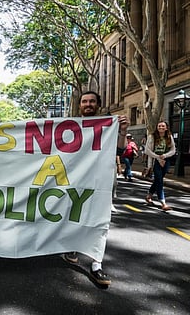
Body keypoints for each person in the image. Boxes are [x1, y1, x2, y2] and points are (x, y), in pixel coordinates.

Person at [62, 91, 128, 286]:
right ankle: (72, 247)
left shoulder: (107, 126)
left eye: (91, 101)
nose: (88, 104)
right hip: (75, 183)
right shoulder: (68, 127)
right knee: (73, 215)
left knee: (99, 221)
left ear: (98, 104)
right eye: (84, 101)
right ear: (80, 105)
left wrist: (122, 131)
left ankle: (96, 265)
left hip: (100, 184)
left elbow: (119, 150)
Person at [144, 121, 175, 211]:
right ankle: (163, 203)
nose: (161, 127)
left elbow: (173, 150)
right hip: (156, 161)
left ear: (166, 128)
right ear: (157, 127)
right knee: (160, 181)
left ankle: (149, 196)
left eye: (163, 126)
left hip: (166, 160)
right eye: (159, 126)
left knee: (158, 180)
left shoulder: (169, 137)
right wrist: (157, 157)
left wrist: (164, 156)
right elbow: (147, 151)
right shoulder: (152, 136)